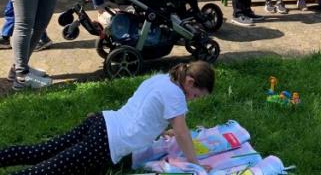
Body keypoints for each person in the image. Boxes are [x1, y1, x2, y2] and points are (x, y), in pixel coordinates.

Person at [0, 61, 215, 174]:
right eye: (196, 95)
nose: (194, 100)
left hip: (102, 122)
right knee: (49, 169)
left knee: (43, 151)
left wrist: (162, 130)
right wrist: (195, 163)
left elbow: (146, 113)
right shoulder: (177, 95)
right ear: (190, 82)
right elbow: (182, 133)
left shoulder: (162, 79)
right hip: (106, 143)